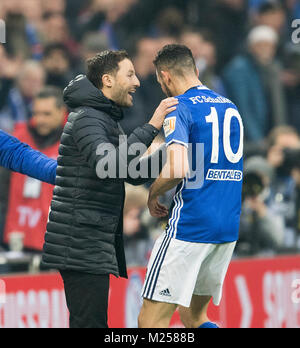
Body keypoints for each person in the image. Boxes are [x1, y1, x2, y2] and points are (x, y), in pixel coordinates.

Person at [40, 50, 178, 328]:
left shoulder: (102, 118)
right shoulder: (88, 117)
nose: (137, 82)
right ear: (107, 80)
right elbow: (108, 164)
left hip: (88, 242)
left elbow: (129, 172)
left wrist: (172, 153)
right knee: (90, 324)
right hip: (80, 244)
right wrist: (152, 126)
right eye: (130, 74)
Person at [138, 44, 244, 328]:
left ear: (165, 77)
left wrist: (152, 193)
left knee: (150, 324)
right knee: (194, 317)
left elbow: (178, 168)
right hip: (226, 226)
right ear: (196, 71)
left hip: (191, 226)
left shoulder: (178, 108)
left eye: (160, 82)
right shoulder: (230, 107)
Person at [1, 87, 65, 251]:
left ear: (62, 112)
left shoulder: (74, 144)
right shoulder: (18, 138)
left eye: (46, 114)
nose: (40, 120)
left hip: (55, 242)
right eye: (36, 113)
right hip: (15, 237)